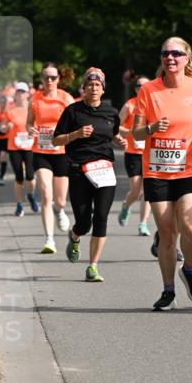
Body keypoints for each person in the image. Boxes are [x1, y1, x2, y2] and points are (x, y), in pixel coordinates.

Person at [132, 37, 192, 310]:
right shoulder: (149, 90)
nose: (171, 58)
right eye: (166, 53)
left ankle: (189, 270)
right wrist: (152, 128)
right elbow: (136, 133)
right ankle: (168, 290)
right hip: (157, 171)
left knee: (190, 225)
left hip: (191, 168)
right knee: (167, 234)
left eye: (177, 53)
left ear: (187, 58)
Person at [52, 67, 126, 282]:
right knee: (84, 223)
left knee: (101, 217)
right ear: (83, 88)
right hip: (78, 170)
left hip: (104, 170)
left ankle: (93, 266)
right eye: (90, 85)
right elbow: (55, 140)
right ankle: (75, 236)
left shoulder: (111, 112)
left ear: (103, 89)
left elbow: (112, 134)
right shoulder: (72, 111)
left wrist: (119, 141)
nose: (94, 88)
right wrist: (75, 134)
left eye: (97, 85)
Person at [27, 63, 73, 253]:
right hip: (41, 152)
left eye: (53, 77)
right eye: (46, 77)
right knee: (46, 194)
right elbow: (29, 123)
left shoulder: (65, 98)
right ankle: (49, 240)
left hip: (62, 153)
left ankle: (59, 210)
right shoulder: (35, 99)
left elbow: (76, 120)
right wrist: (31, 130)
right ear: (41, 79)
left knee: (60, 201)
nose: (49, 80)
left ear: (58, 79)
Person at [118, 76, 152, 235]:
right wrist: (130, 132)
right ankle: (126, 205)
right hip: (133, 153)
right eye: (139, 86)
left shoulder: (155, 104)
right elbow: (116, 126)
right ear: (135, 89)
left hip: (150, 152)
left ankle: (143, 223)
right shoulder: (129, 105)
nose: (142, 88)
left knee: (148, 190)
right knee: (136, 190)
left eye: (145, 86)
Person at [5, 82, 39, 216]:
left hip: (30, 146)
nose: (20, 94)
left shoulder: (33, 109)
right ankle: (19, 205)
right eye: (18, 92)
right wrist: (5, 127)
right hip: (14, 146)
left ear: (27, 94)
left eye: (23, 92)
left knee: (30, 175)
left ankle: (31, 195)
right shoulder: (10, 110)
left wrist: (34, 133)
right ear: (15, 94)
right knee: (19, 176)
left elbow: (37, 126)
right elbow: (5, 126)